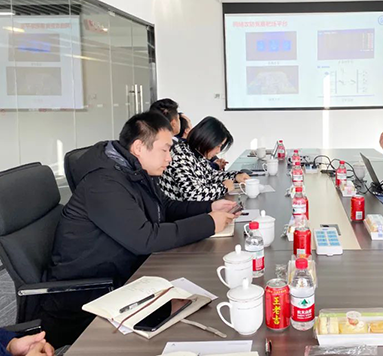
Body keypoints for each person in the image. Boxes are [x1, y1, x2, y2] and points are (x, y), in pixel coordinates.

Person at [39, 112, 237, 348]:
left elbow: (165, 207)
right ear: (139, 148)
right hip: (90, 295)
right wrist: (209, 223)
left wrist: (209, 207)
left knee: (198, 304)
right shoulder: (104, 183)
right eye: (165, 150)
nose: (170, 158)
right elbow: (145, 239)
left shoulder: (135, 171)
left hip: (128, 275)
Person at [159, 116, 250, 201]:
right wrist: (224, 187)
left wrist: (235, 176)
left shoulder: (195, 152)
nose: (218, 151)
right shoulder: (180, 157)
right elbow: (193, 195)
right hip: (181, 211)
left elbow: (210, 176)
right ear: (207, 140)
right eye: (218, 146)